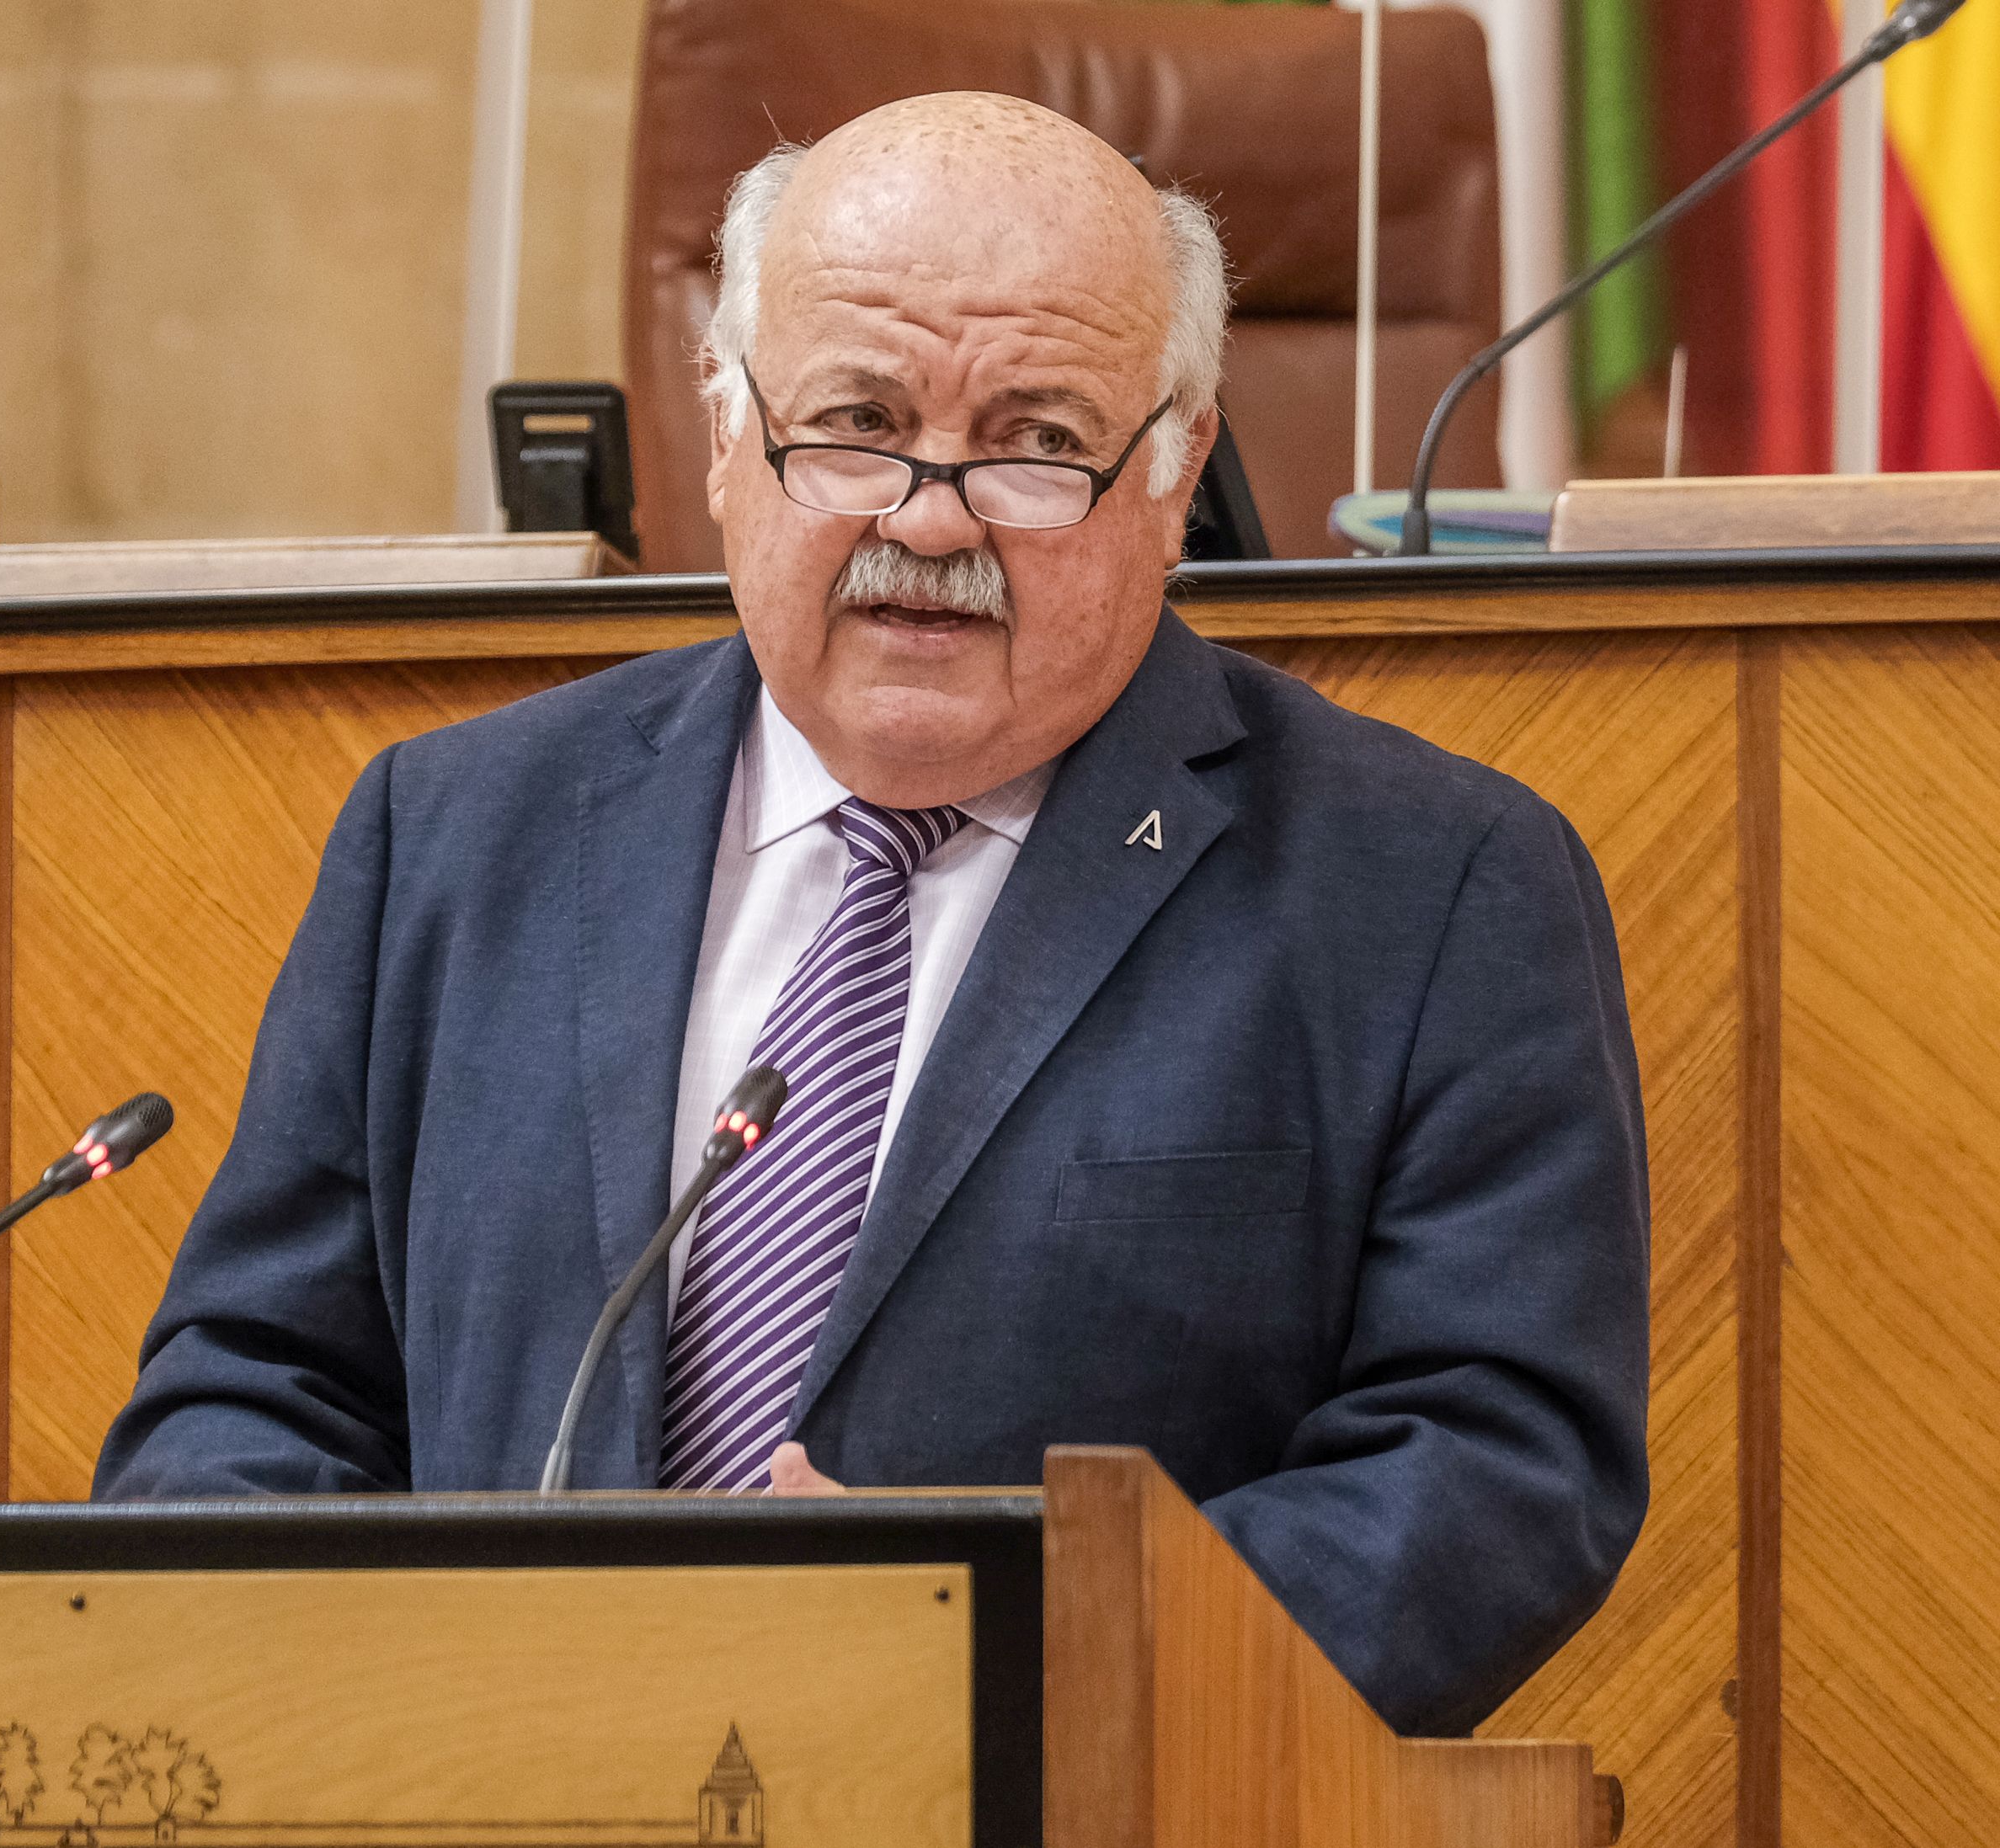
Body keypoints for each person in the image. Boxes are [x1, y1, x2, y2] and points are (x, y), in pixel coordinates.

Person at [94, 92, 1649, 1738]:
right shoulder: (460, 834)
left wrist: (1012, 1638)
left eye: (1037, 442)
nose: (928, 518)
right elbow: (250, 1390)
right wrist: (381, 1705)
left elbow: (1500, 1470)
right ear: (726, 425)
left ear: (1176, 469)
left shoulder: (1431, 885)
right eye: (856, 422)